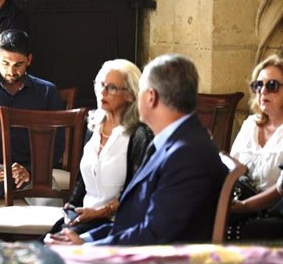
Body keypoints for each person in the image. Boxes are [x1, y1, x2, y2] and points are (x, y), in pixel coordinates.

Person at [47, 54, 227, 246]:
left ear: (150, 97)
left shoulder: (186, 154)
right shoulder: (171, 142)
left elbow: (155, 235)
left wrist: (84, 248)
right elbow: (133, 218)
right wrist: (84, 238)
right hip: (127, 245)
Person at [0, 29, 64, 216]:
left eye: (19, 64)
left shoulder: (47, 92)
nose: (11, 71)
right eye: (5, 63)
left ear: (29, 60)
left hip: (33, 172)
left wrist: (30, 170)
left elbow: (57, 145)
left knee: (54, 207)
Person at [50, 59, 153, 235]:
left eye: (112, 88)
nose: (102, 92)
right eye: (100, 84)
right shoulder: (92, 127)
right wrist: (72, 206)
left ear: (131, 95)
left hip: (114, 224)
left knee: (55, 250)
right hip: (83, 218)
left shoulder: (140, 135)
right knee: (41, 248)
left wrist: (99, 213)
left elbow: (137, 194)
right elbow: (82, 182)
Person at [227, 55, 283, 239]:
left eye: (272, 86)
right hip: (241, 201)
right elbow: (231, 166)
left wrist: (245, 207)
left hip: (272, 212)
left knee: (252, 230)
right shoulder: (250, 124)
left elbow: (279, 190)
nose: (263, 91)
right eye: (258, 85)